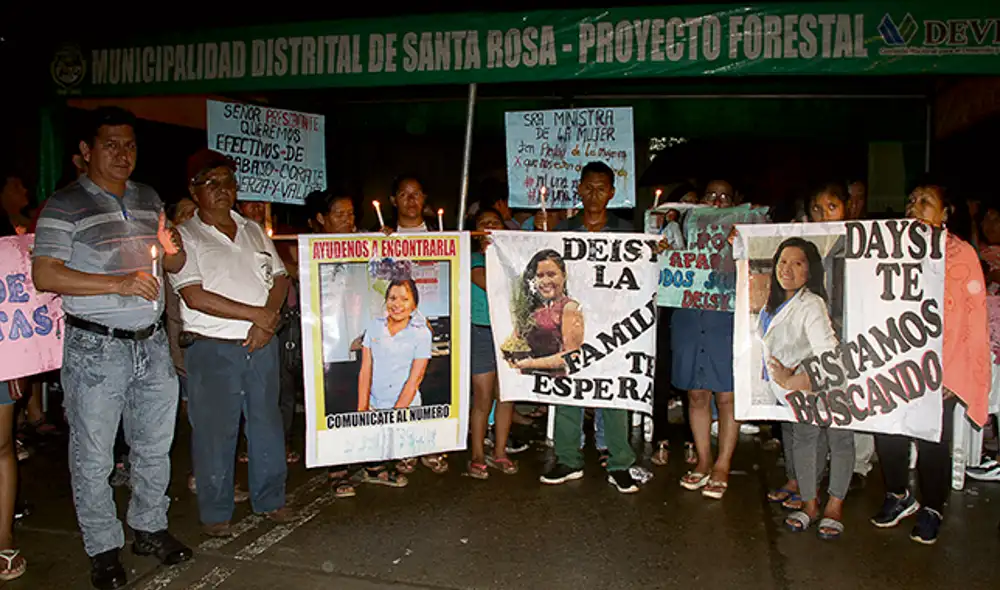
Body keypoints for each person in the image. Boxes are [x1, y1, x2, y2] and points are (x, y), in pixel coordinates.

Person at [31, 106, 192, 589]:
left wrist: (174, 247)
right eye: (111, 144)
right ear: (85, 152)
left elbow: (172, 263)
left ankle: (148, 526)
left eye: (130, 145)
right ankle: (102, 547)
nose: (123, 154)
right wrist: (117, 284)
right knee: (95, 454)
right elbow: (45, 274)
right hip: (96, 349)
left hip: (152, 345)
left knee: (154, 445)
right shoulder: (63, 205)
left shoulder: (148, 198)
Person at [169, 148, 297, 538]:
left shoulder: (253, 229)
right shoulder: (183, 236)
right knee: (214, 430)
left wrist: (267, 320)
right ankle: (216, 511)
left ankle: (270, 499)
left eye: (228, 181)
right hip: (212, 347)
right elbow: (194, 296)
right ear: (194, 190)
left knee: (266, 423)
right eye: (212, 183)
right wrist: (255, 316)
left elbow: (279, 278)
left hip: (261, 344)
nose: (223, 190)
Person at [871, 181, 990, 544]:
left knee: (933, 440)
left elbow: (974, 318)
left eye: (926, 201)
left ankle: (932, 506)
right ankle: (898, 494)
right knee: (888, 432)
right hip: (894, 361)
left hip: (942, 367)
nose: (915, 206)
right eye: (911, 200)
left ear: (945, 213)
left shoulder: (962, 254)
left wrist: (957, 376)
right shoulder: (888, 247)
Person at [537, 161, 640, 494]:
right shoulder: (563, 230)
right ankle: (568, 458)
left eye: (602, 188)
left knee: (614, 391)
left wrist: (658, 251)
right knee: (568, 389)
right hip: (571, 324)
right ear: (579, 190)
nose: (594, 194)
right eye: (589, 187)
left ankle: (620, 461)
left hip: (613, 325)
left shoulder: (628, 233)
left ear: (611, 192)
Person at [760, 238, 851, 539]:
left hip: (828, 384)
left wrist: (793, 380)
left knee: (838, 439)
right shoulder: (771, 302)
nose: (787, 269)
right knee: (804, 440)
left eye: (797, 263)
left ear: (810, 271)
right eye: (782, 261)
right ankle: (810, 505)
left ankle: (834, 505)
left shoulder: (811, 303)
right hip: (798, 389)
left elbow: (828, 357)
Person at [375, 174, 449, 475]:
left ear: (425, 198)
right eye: (404, 194)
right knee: (401, 384)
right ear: (393, 200)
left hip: (436, 323)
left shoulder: (441, 235)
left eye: (417, 194)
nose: (411, 200)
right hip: (400, 324)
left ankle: (433, 445)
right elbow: (377, 283)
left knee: (433, 385)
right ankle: (405, 448)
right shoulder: (381, 238)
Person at [675, 179, 743, 500]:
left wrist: (740, 244)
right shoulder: (681, 231)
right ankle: (703, 460)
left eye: (724, 197)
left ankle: (722, 464)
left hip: (724, 322)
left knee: (727, 396)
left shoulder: (742, 233)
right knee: (697, 394)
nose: (716, 202)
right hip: (690, 319)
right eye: (710, 195)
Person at [305, 189, 362, 496]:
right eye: (339, 215)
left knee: (363, 396)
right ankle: (337, 468)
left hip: (360, 334)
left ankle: (370, 460)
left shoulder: (366, 243)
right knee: (334, 400)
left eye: (351, 214)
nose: (347, 220)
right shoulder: (309, 250)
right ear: (321, 219)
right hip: (328, 338)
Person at [467, 208, 518, 479]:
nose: (488, 227)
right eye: (482, 224)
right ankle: (477, 453)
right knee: (483, 397)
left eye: (494, 223)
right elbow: (486, 282)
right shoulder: (473, 258)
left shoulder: (511, 257)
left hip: (509, 332)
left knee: (506, 395)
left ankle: (500, 451)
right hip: (482, 331)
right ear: (475, 233)